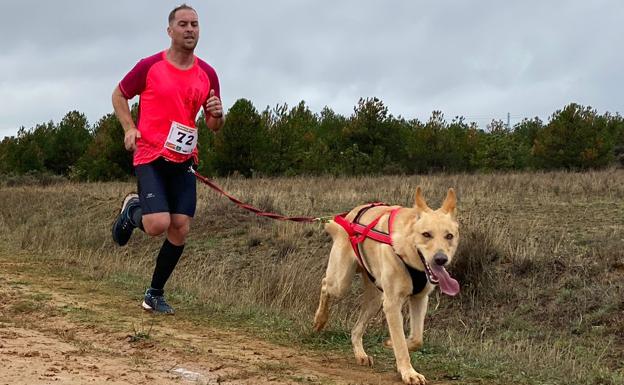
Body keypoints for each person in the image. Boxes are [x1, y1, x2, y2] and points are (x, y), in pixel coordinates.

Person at [111, 4, 224, 314]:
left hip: (184, 159)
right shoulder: (150, 66)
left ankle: (154, 294)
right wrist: (130, 128)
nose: (190, 29)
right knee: (158, 223)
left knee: (180, 227)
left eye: (195, 25)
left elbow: (213, 125)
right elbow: (119, 94)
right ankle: (133, 209)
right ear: (170, 30)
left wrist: (217, 114)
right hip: (150, 154)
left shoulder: (208, 73)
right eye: (184, 24)